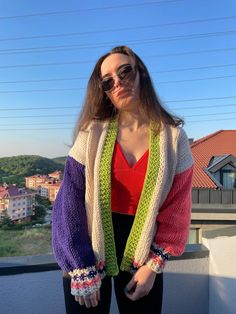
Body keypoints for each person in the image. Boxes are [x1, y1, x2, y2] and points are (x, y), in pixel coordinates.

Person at [52, 45, 194, 314]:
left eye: (125, 71)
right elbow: (67, 205)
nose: (118, 82)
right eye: (107, 81)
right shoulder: (90, 134)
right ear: (104, 92)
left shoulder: (174, 140)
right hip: (86, 252)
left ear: (141, 73)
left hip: (143, 256)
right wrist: (80, 267)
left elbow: (177, 209)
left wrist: (153, 265)